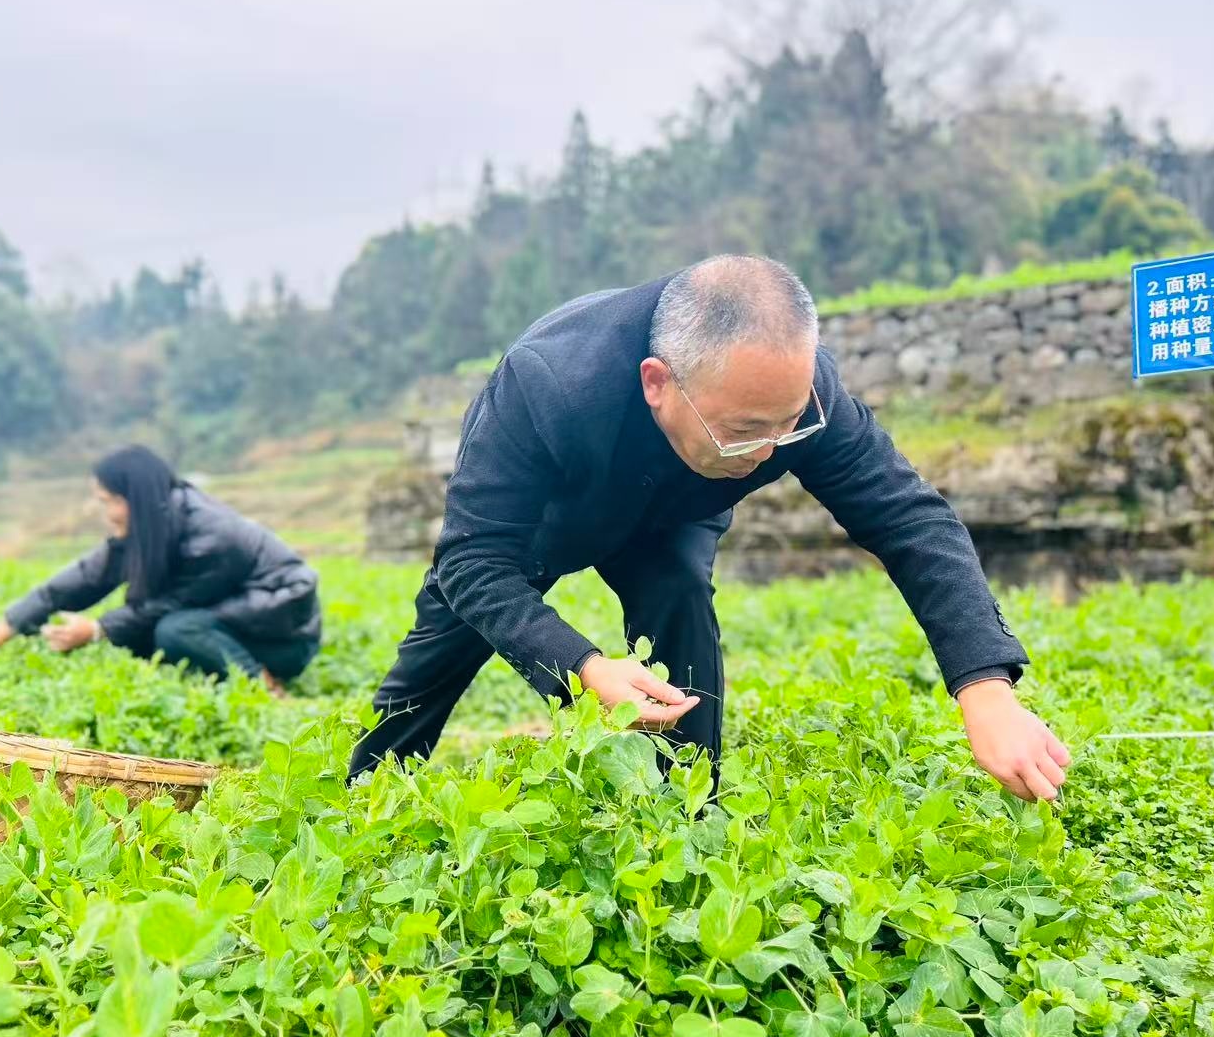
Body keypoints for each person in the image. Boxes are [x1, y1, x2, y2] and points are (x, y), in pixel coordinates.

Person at [349, 255, 1070, 801]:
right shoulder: (546, 385)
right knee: (442, 645)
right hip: (551, 513)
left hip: (674, 508)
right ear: (658, 383)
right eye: (744, 430)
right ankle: (365, 801)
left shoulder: (797, 395)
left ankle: (690, 807)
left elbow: (908, 518)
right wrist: (586, 668)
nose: (765, 452)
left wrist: (985, 688)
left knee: (677, 589)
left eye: (784, 429)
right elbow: (475, 561)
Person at [0, 445, 321, 691]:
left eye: (107, 500)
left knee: (173, 630)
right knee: (145, 633)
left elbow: (170, 605)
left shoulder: (211, 535)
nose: (103, 512)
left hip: (285, 636)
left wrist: (97, 629)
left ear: (135, 498)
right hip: (237, 624)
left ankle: (264, 686)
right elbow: (73, 584)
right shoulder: (152, 525)